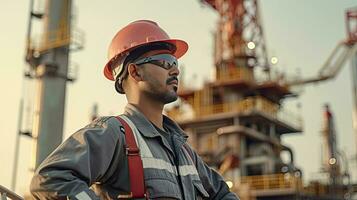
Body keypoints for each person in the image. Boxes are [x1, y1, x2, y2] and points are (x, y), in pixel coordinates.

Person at [30, 20, 239, 200]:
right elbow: (51, 178)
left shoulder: (184, 151)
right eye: (165, 62)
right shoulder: (115, 134)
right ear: (135, 71)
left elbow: (223, 193)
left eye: (175, 63)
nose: (175, 70)